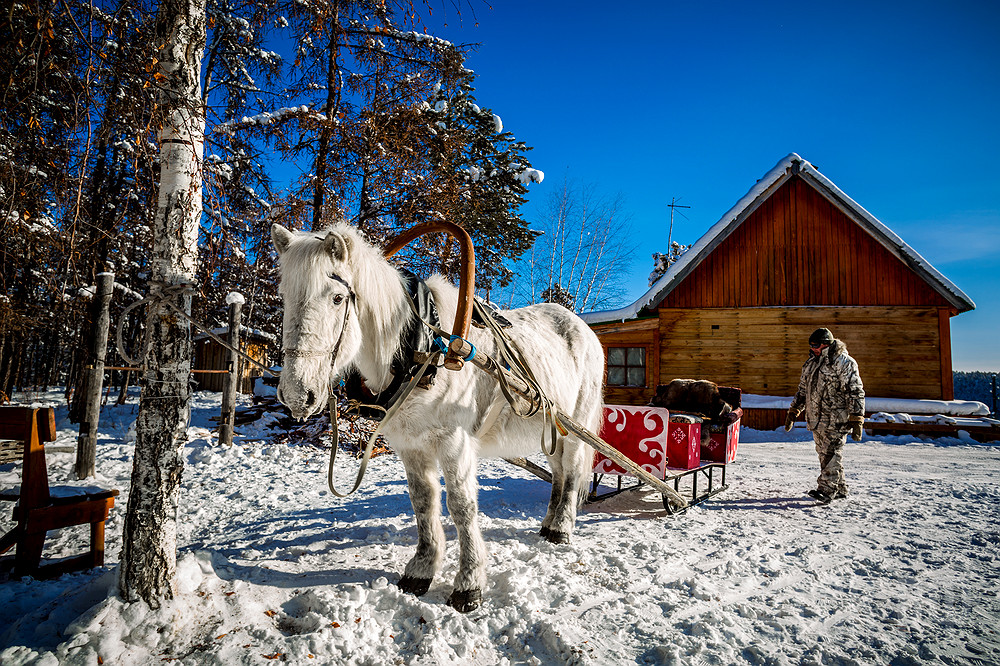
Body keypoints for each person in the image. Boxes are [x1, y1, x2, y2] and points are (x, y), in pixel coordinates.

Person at [784, 328, 865, 503]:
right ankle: (840, 488)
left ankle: (827, 489)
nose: (812, 348)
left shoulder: (844, 363)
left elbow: (855, 391)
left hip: (836, 418)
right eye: (810, 345)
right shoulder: (811, 364)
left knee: (831, 453)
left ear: (826, 343)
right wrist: (794, 410)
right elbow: (803, 390)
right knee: (825, 454)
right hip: (816, 419)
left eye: (816, 345)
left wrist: (857, 418)